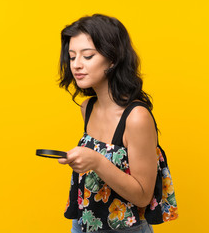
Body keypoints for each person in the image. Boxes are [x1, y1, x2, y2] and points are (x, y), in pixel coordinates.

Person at [58, 14, 160, 233]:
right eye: (72, 56)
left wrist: (97, 162)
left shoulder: (136, 117)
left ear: (112, 59)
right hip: (83, 223)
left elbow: (143, 196)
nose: (76, 65)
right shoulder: (88, 108)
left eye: (87, 56)